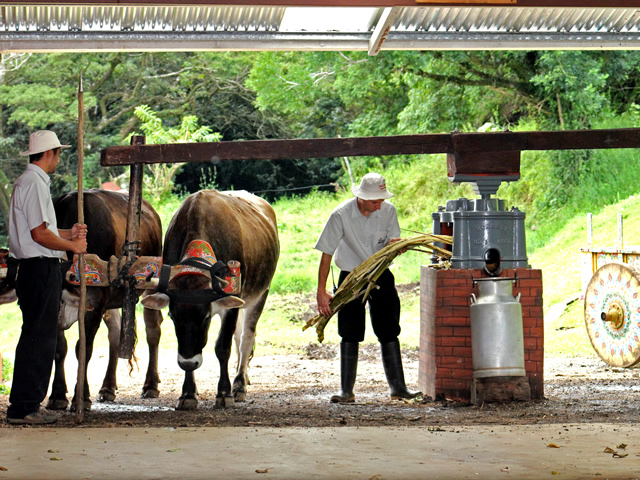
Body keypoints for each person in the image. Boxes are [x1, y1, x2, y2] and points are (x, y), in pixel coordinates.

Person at [315, 172, 421, 403]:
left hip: (381, 274)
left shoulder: (388, 210)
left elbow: (393, 241)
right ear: (361, 197)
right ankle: (346, 391)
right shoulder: (341, 215)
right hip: (351, 277)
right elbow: (326, 254)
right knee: (349, 329)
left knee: (389, 328)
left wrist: (398, 247)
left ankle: (398, 388)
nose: (379, 204)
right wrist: (321, 291)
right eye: (375, 201)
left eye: (381, 199)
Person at [6, 130, 87, 425]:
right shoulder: (34, 184)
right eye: (58, 153)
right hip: (39, 268)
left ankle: (27, 404)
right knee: (39, 338)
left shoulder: (29, 182)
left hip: (35, 267)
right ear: (50, 153)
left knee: (37, 336)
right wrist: (72, 246)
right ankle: (25, 407)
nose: (59, 159)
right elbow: (39, 235)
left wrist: (68, 234)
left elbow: (43, 232)